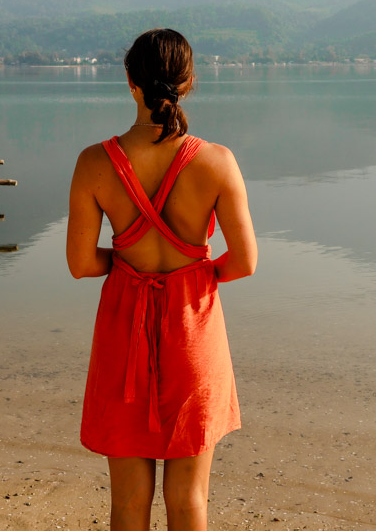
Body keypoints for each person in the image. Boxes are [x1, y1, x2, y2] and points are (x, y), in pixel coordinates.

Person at [67, 28, 257, 531]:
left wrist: (129, 263)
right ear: (189, 82)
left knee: (128, 500)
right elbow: (244, 262)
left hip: (123, 326)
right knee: (189, 498)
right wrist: (192, 274)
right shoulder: (217, 162)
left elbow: (82, 263)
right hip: (193, 325)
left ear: (129, 80)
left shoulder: (93, 163)